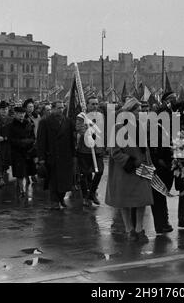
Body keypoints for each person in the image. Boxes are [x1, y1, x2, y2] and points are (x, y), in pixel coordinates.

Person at [105, 97, 154, 243]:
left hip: (142, 169)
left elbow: (146, 150)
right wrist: (130, 162)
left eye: (140, 110)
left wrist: (149, 164)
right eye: (137, 110)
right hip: (125, 171)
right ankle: (129, 229)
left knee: (142, 200)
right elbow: (115, 152)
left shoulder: (142, 126)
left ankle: (139, 228)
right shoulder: (118, 128)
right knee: (124, 202)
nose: (140, 112)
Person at [36, 100, 75, 210]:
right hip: (52, 156)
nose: (61, 110)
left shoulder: (67, 121)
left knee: (64, 181)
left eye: (62, 108)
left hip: (66, 156)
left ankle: (61, 198)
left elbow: (72, 139)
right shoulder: (45, 122)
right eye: (58, 108)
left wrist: (73, 154)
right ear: (53, 109)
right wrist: (41, 158)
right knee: (53, 181)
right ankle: (54, 201)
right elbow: (41, 141)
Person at [150, 91, 176, 233]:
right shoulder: (157, 127)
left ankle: (163, 222)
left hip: (168, 163)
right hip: (160, 165)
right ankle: (160, 224)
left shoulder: (171, 127)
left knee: (163, 194)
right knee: (158, 195)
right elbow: (154, 148)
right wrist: (159, 161)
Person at [75, 96, 104, 207]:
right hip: (85, 150)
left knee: (99, 171)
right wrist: (89, 134)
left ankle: (92, 193)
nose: (95, 106)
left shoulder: (101, 116)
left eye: (96, 104)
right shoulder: (82, 116)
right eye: (92, 104)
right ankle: (85, 196)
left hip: (98, 149)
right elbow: (79, 128)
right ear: (87, 105)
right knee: (85, 174)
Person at [8, 106, 36, 198]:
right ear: (15, 114)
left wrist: (28, 142)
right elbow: (11, 139)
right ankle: (22, 189)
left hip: (28, 151)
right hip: (17, 151)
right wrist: (21, 143)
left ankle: (24, 186)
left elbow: (32, 137)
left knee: (27, 170)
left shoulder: (28, 123)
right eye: (19, 113)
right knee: (19, 171)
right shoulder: (11, 125)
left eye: (23, 113)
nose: (21, 115)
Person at [0, 101, 12, 187]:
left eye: (5, 109)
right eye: (2, 109)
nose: (4, 111)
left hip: (9, 144)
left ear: (8, 110)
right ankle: (0, 177)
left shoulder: (11, 120)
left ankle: (4, 176)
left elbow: (14, 132)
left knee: (7, 160)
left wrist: (7, 137)